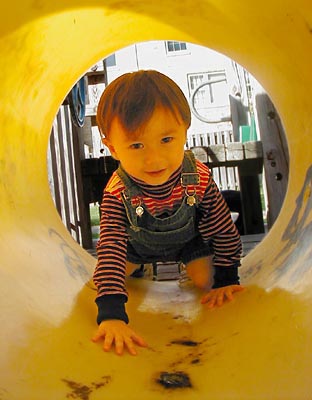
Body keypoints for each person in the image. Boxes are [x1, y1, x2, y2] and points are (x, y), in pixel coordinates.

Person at [92, 70, 244, 356]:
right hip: (135, 249)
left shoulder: (197, 178)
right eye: (136, 145)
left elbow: (222, 227)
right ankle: (137, 270)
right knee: (104, 280)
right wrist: (111, 315)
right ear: (112, 147)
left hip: (189, 243)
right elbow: (111, 245)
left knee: (205, 282)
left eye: (166, 140)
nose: (154, 159)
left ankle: (194, 271)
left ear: (185, 130)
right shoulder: (116, 192)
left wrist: (227, 278)